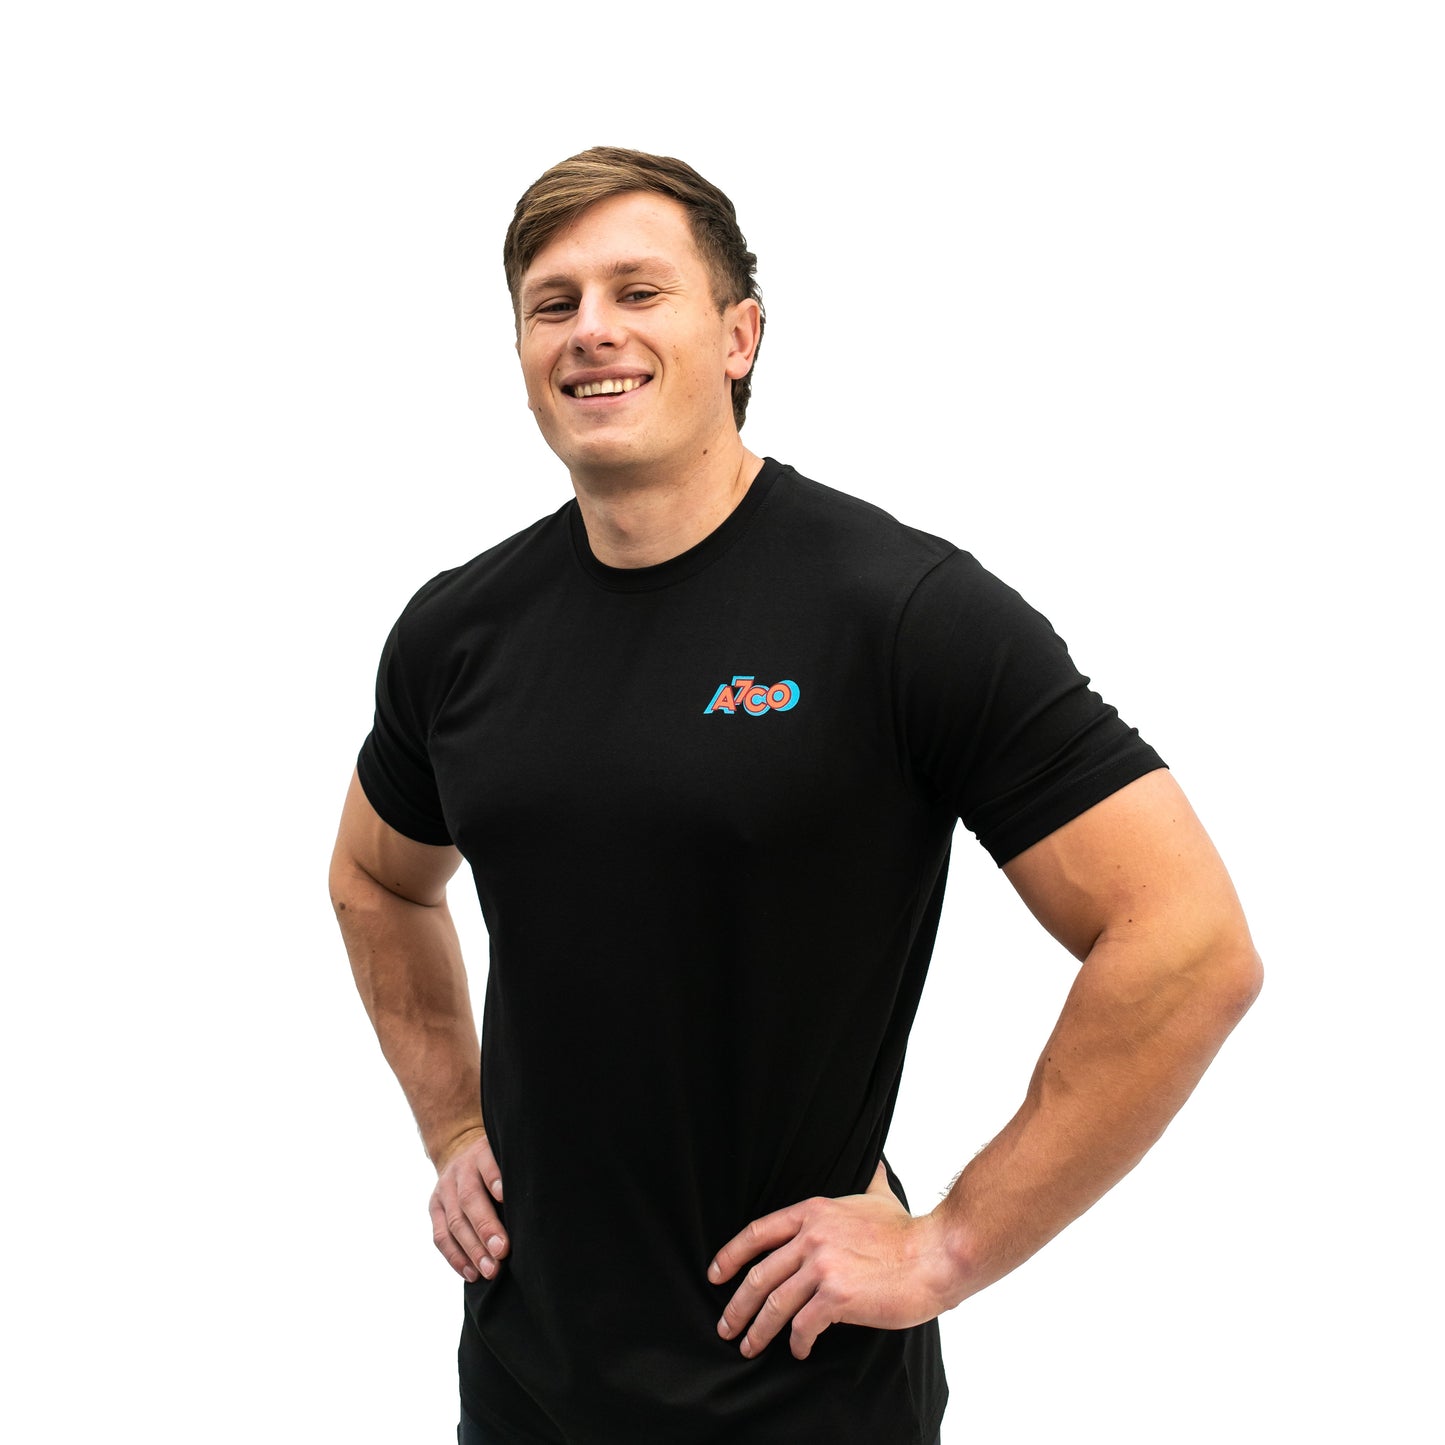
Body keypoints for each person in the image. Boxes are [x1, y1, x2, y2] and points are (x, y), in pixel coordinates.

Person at [329, 146, 1262, 1445]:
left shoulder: (899, 612)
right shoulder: (458, 632)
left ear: (738, 336)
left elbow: (1187, 940)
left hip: (799, 1385)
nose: (591, 329)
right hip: (526, 1380)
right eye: (553, 303)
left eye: (638, 291)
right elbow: (377, 877)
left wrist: (948, 1246)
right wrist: (449, 1123)